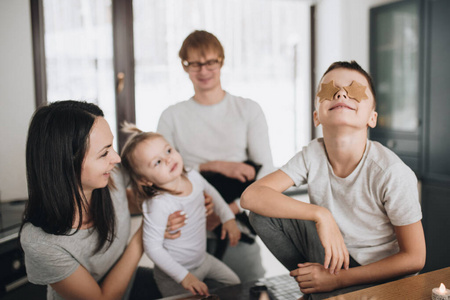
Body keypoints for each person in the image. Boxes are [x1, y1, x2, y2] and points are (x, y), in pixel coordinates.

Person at [241, 61, 426, 299]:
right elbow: (251, 196)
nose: (341, 93)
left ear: (372, 117)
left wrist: (337, 279)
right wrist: (321, 214)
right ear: (317, 116)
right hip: (334, 258)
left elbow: (415, 258)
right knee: (262, 213)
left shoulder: (391, 172)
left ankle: (326, 285)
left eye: (354, 90)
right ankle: (313, 281)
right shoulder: (312, 154)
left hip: (379, 277)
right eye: (330, 89)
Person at [19, 100, 188, 300]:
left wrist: (185, 196)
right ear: (67, 164)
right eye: (104, 153)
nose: (116, 158)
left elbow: (133, 199)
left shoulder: (110, 177)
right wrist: (149, 230)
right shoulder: (40, 242)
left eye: (112, 146)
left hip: (131, 283)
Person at [157, 30, 274, 282]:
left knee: (251, 291)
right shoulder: (171, 116)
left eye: (211, 62)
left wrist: (227, 212)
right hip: (185, 227)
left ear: (221, 61)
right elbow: (159, 174)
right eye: (195, 64)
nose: (204, 70)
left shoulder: (248, 109)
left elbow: (267, 176)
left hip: (237, 224)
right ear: (184, 66)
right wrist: (217, 166)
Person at [120, 124, 241, 297]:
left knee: (234, 284)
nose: (168, 159)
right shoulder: (158, 204)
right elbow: (152, 247)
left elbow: (212, 192)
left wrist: (228, 218)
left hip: (203, 260)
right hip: (174, 275)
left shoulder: (192, 175)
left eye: (168, 151)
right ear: (145, 180)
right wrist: (184, 277)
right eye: (158, 162)